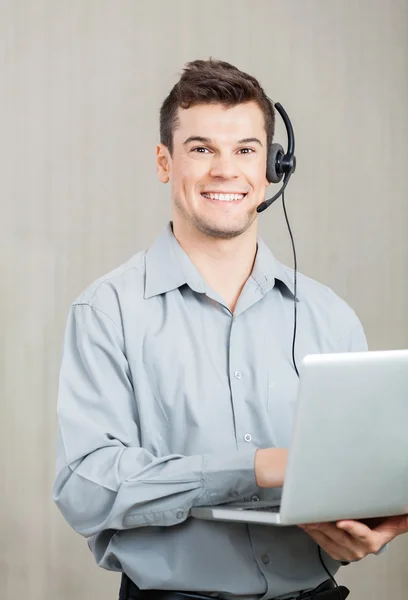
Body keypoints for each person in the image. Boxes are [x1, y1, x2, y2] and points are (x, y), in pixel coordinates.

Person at [53, 58, 408, 600]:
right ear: (164, 162)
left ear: (273, 164)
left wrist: (382, 520)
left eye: (245, 149)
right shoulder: (107, 312)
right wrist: (259, 467)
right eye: (201, 149)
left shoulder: (330, 315)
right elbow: (85, 485)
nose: (226, 170)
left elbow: (363, 468)